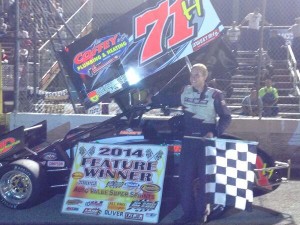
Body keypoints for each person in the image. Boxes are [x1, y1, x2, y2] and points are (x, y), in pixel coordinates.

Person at [153, 64, 232, 224]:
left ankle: (200, 216)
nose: (193, 78)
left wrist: (214, 132)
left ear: (205, 77)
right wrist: (151, 97)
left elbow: (226, 117)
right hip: (188, 143)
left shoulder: (215, 94)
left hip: (206, 145)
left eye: (197, 75)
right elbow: (168, 99)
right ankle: (188, 215)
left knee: (204, 181)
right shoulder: (185, 91)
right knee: (184, 181)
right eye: (191, 75)